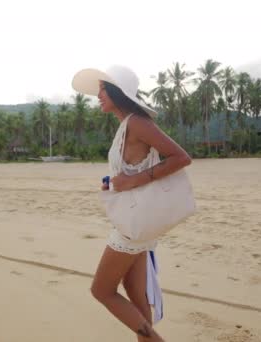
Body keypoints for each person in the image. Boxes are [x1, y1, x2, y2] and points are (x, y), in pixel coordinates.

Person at [72, 65, 192, 342]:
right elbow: (130, 170)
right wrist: (115, 183)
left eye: (103, 89)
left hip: (132, 225)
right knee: (135, 294)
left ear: (117, 92)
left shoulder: (137, 123)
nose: (98, 95)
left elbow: (181, 157)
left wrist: (133, 180)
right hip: (137, 222)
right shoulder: (126, 125)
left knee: (101, 291)